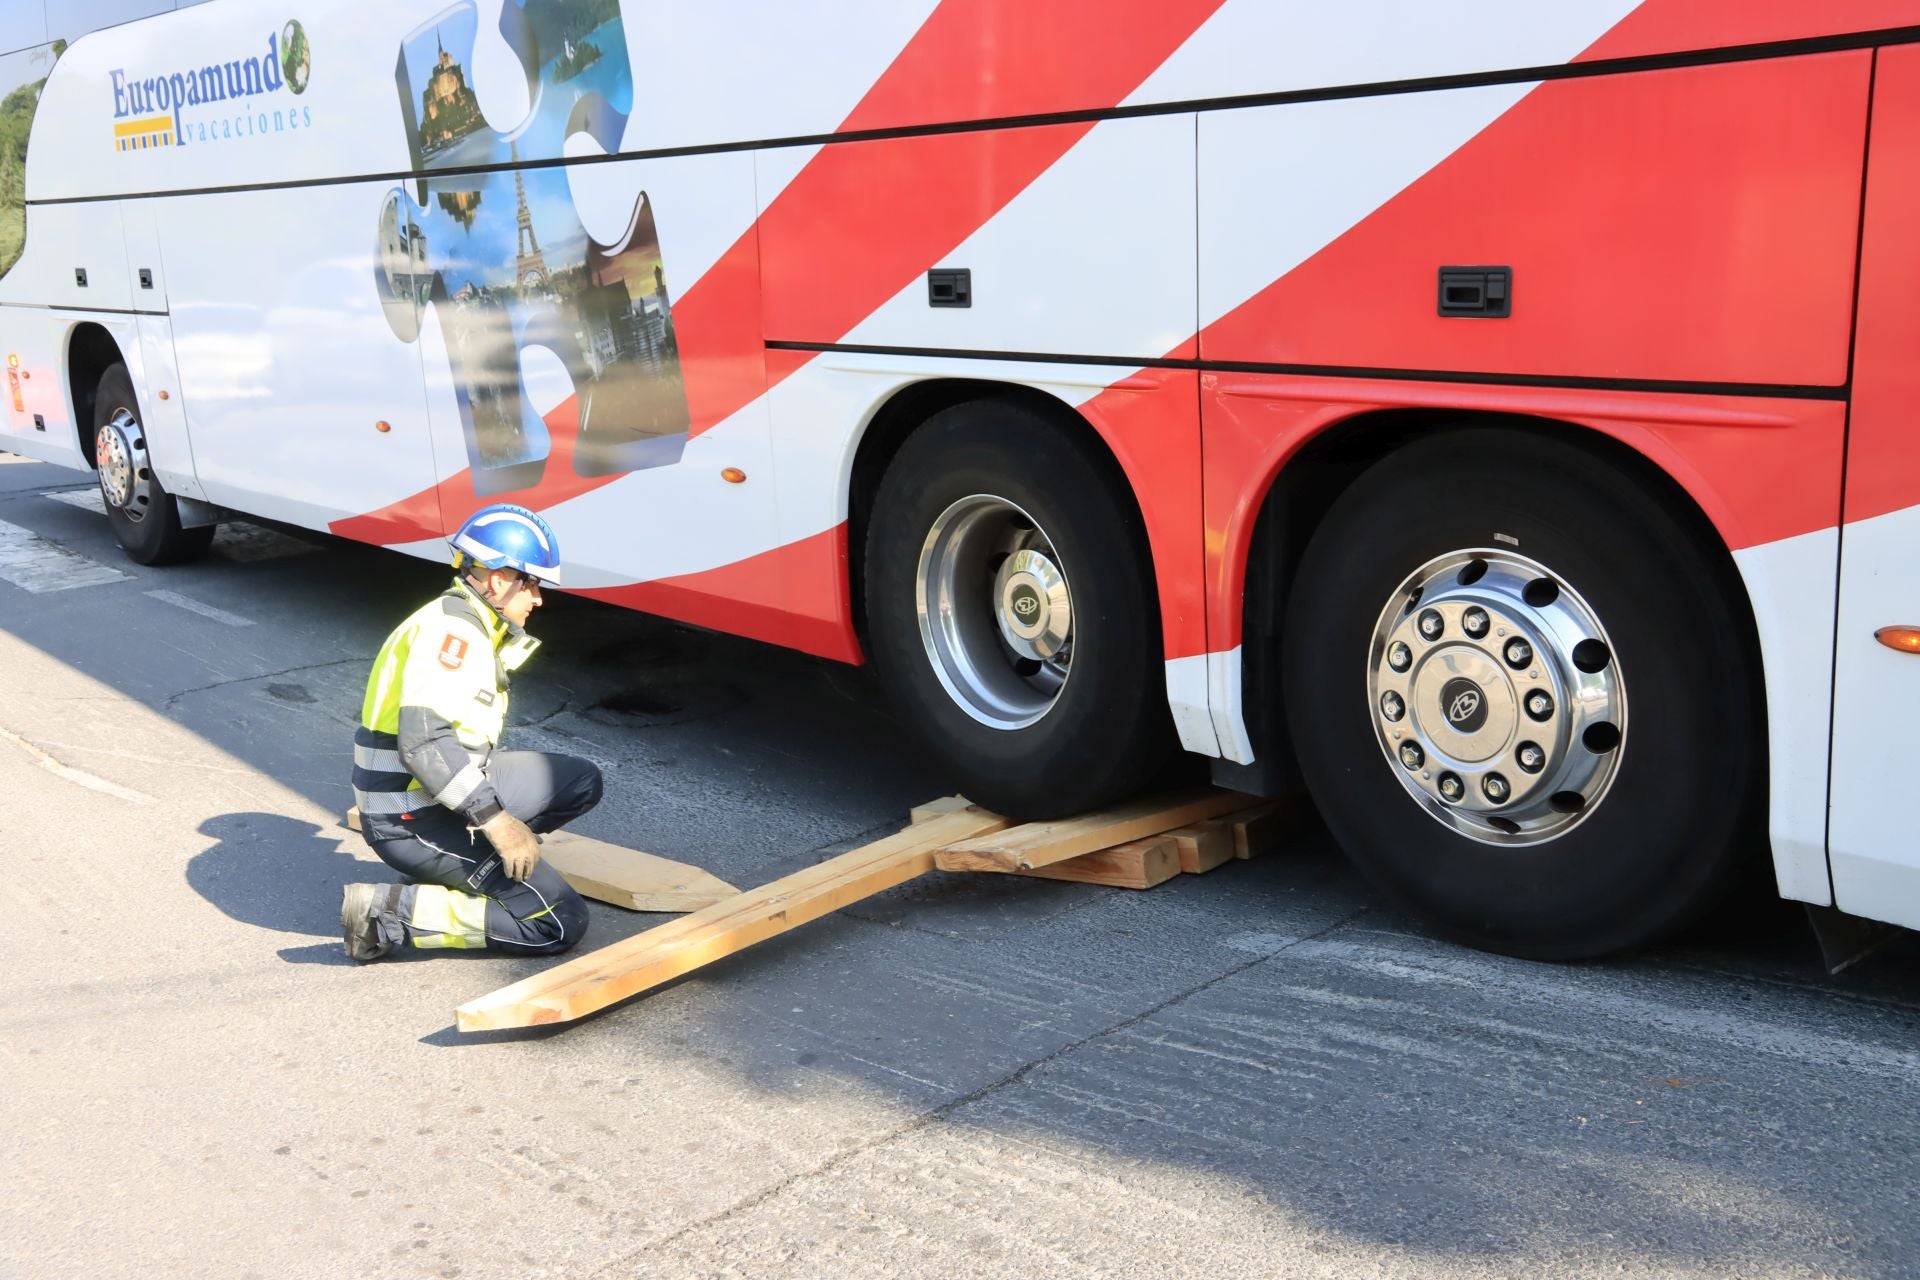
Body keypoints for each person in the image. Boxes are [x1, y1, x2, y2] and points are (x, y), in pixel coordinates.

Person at [340, 503, 599, 961]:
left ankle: (469, 873)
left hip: (439, 794)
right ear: (500, 579)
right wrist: (498, 824)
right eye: (533, 582)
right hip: (407, 817)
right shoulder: (451, 638)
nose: (538, 598)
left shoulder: (473, 625)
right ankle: (383, 912)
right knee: (557, 921)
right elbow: (425, 741)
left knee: (580, 781)